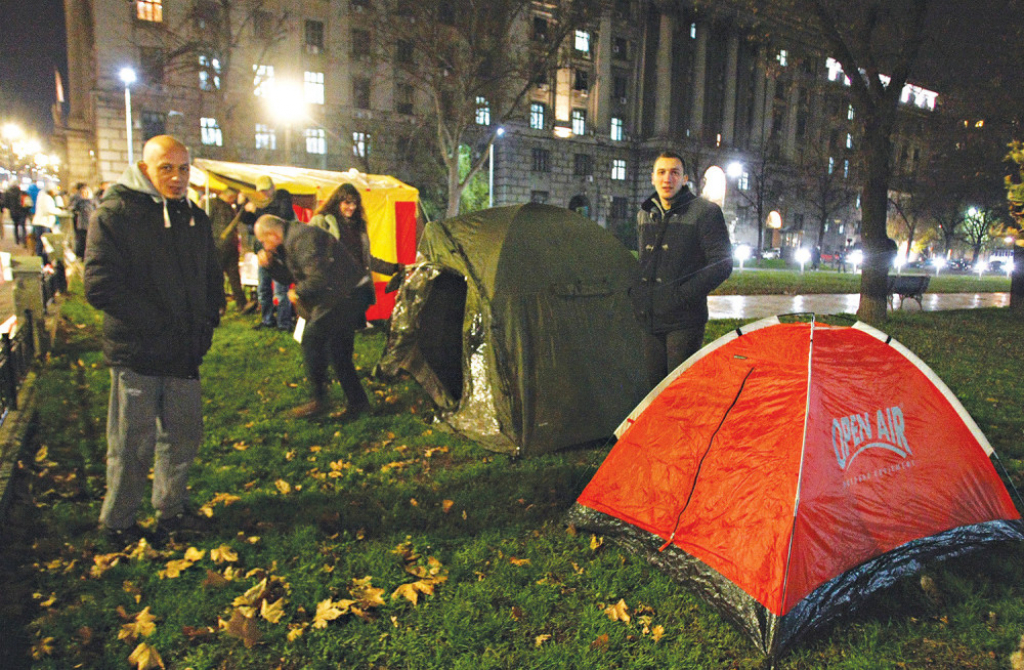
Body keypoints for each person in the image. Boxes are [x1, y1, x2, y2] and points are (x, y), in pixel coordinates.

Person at [84, 135, 225, 544]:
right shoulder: (115, 215)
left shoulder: (193, 216)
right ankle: (118, 522)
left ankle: (171, 510)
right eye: (167, 168)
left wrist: (206, 322)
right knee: (131, 445)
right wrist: (159, 324)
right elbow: (101, 286)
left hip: (184, 351)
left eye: (183, 168)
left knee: (183, 438)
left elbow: (210, 275)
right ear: (145, 169)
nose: (177, 177)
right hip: (139, 353)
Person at [631, 151, 733, 388]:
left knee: (679, 390)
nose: (667, 179)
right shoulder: (645, 214)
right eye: (661, 172)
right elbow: (645, 261)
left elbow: (722, 263)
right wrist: (636, 294)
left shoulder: (705, 213)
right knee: (653, 391)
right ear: (653, 178)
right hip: (649, 319)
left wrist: (681, 296)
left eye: (674, 173)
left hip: (684, 321)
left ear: (685, 179)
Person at [254, 213, 370, 419]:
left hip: (348, 294)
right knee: (338, 352)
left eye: (264, 241)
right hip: (346, 293)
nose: (265, 246)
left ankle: (319, 401)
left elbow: (318, 278)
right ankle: (358, 404)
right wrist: (271, 266)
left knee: (312, 339)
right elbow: (293, 276)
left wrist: (298, 292)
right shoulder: (292, 239)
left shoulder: (302, 238)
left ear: (272, 234)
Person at [309, 182, 403, 312]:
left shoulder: (359, 225)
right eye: (347, 203)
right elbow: (308, 252)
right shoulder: (322, 221)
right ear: (337, 201)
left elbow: (366, 259)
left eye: (355, 203)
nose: (352, 207)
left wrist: (394, 268)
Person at [239, 175, 294, 332]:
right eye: (261, 191)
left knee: (281, 291)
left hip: (280, 252)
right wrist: (242, 205)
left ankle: (284, 323)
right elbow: (247, 220)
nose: (264, 193)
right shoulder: (259, 202)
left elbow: (282, 216)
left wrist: (257, 209)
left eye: (266, 190)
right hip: (263, 251)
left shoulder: (282, 197)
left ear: (272, 188)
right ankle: (267, 320)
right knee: (263, 289)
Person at [207, 187, 253, 313]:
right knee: (219, 277)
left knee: (233, 275)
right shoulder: (213, 204)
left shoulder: (226, 206)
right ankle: (221, 305)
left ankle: (240, 303)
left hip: (229, 245)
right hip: (218, 245)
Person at [32, 187, 67, 265]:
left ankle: (42, 259)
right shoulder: (46, 198)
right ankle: (42, 260)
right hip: (43, 223)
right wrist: (60, 211)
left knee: (42, 242)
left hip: (43, 223)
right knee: (43, 243)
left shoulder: (43, 196)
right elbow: (49, 210)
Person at [68, 182, 96, 259]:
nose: (84, 194)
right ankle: (81, 255)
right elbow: (73, 208)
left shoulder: (92, 202)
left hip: (89, 224)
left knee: (87, 240)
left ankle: (86, 256)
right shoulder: (80, 201)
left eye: (86, 192)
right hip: (82, 224)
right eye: (83, 193)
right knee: (81, 241)